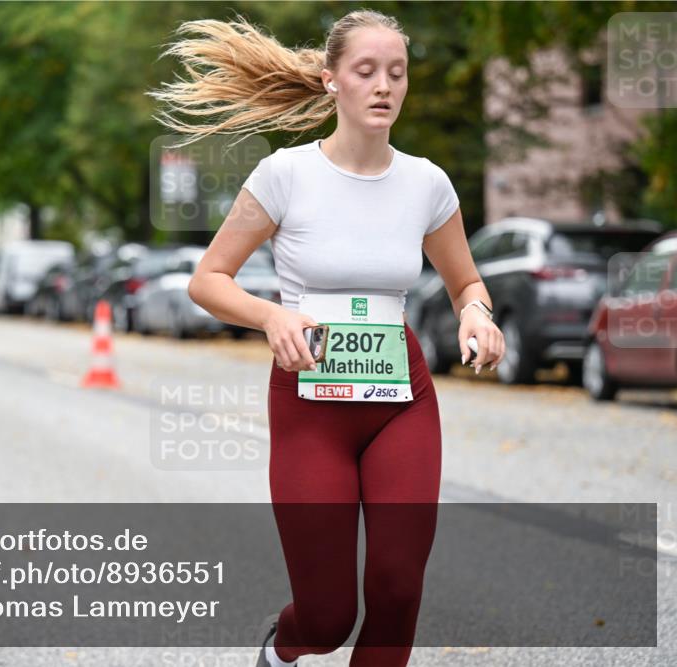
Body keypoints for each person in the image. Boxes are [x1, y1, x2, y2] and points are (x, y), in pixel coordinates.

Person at [154, 10, 506, 667]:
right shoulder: (286, 176)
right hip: (309, 405)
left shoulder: (426, 184)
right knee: (327, 615)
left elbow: (467, 283)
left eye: (396, 73)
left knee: (399, 589)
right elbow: (209, 279)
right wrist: (273, 316)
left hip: (400, 398)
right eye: (366, 71)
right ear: (331, 82)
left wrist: (478, 315)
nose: (384, 86)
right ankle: (280, 649)